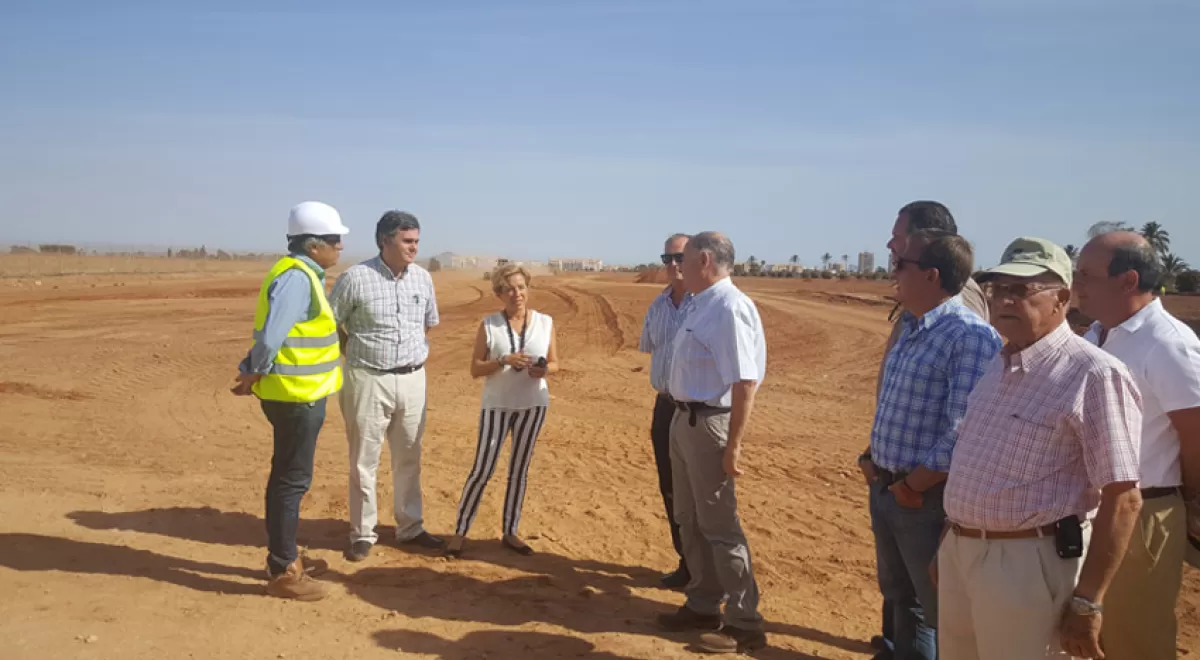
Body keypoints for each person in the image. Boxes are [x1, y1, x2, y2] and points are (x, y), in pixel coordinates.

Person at [938, 237, 1144, 660]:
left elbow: (1123, 498)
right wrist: (951, 539)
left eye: (1022, 290)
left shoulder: (1094, 374)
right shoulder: (1000, 364)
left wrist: (1088, 601)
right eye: (998, 289)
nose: (1005, 300)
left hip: (1028, 564)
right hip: (962, 554)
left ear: (1061, 299)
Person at [859, 200, 990, 658]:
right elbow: (897, 400)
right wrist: (873, 458)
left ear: (932, 275)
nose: (893, 267)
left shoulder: (967, 334)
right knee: (903, 600)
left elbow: (963, 428)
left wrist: (913, 484)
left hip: (923, 497)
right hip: (891, 487)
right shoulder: (915, 325)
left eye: (901, 262)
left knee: (937, 610)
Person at [1074, 231, 1200, 660]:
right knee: (1088, 637)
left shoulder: (1168, 344)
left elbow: (1196, 434)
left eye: (1086, 275)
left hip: (1142, 514)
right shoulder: (1097, 333)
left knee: (1134, 642)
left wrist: (1191, 504)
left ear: (1128, 281)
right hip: (1092, 512)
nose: (1077, 284)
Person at [655, 231, 768, 655]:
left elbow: (744, 382)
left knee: (720, 527)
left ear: (703, 260)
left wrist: (733, 445)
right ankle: (703, 604)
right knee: (689, 518)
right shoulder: (701, 303)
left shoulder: (728, 307)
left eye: (681, 258)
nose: (675, 265)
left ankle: (744, 621)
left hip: (710, 426)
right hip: (684, 421)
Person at [232, 200, 349, 600]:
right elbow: (271, 336)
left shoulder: (300, 274)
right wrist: (254, 370)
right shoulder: (298, 278)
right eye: (335, 240)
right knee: (290, 480)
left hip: (295, 394)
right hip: (296, 397)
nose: (340, 247)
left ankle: (284, 558)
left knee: (286, 476)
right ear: (313, 245)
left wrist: (253, 370)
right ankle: (283, 570)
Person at [329, 210, 442, 562]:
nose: (414, 248)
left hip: (412, 378)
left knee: (409, 455)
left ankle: (410, 527)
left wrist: (408, 355)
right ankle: (362, 533)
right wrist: (355, 354)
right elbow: (333, 323)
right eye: (407, 241)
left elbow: (427, 324)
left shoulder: (423, 279)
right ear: (384, 241)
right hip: (367, 378)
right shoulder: (355, 278)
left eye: (417, 241)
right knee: (364, 459)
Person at [445, 263, 559, 557]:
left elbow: (555, 362)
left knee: (519, 470)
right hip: (497, 406)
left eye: (521, 287)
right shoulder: (489, 325)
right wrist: (504, 360)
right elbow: (475, 368)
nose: (516, 294)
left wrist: (542, 370)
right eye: (509, 289)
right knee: (482, 469)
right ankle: (460, 531)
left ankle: (511, 531)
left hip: (533, 405)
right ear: (499, 293)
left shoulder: (545, 323)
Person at [637, 233, 694, 589]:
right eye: (667, 258)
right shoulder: (657, 308)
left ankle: (705, 568)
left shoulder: (706, 306)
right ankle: (686, 560)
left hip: (697, 412)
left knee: (699, 493)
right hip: (664, 408)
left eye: (679, 258)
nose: (673, 265)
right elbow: (651, 351)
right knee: (670, 488)